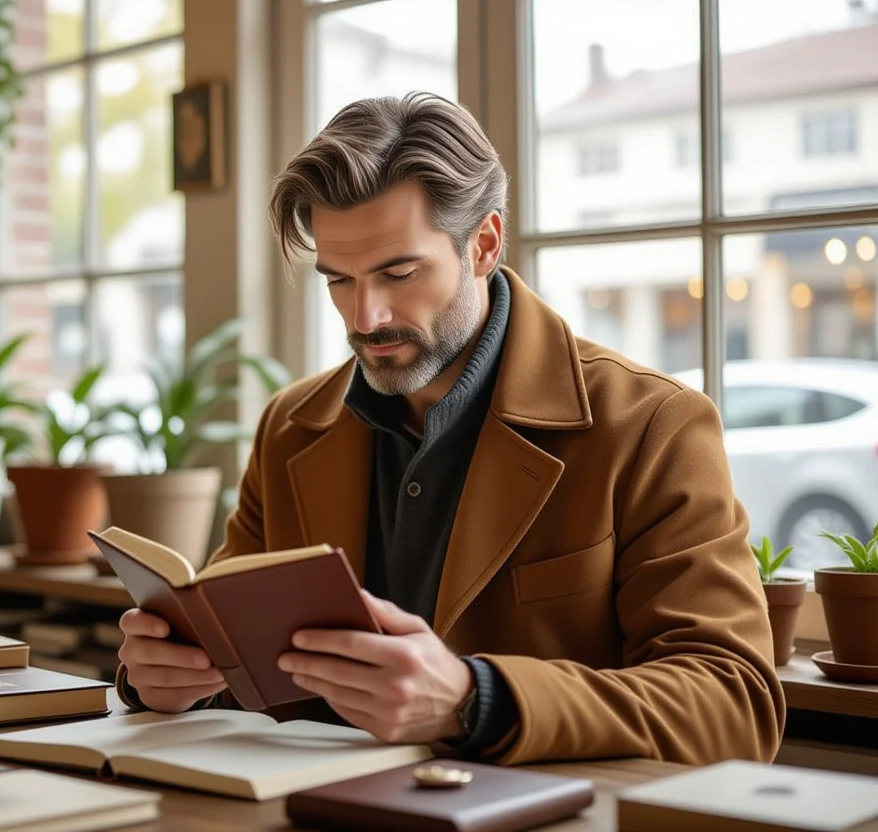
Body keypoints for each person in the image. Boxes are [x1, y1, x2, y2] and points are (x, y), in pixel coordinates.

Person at [114, 91, 785, 765]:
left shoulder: (652, 424)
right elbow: (237, 661)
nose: (366, 317)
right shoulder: (290, 426)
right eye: (338, 280)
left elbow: (735, 704)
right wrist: (172, 682)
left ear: (484, 244)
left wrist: (476, 698)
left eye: (398, 272)